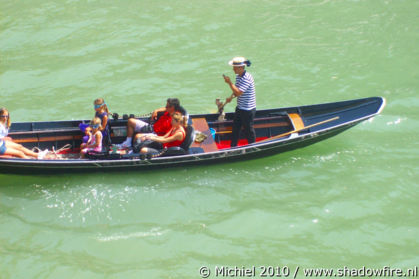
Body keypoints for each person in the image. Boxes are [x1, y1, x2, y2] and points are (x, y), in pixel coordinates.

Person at [118, 98, 184, 148]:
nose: (165, 107)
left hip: (157, 134)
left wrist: (152, 137)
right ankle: (128, 143)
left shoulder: (175, 119)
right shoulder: (168, 110)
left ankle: (133, 150)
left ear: (172, 108)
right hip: (152, 127)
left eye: (167, 106)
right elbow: (164, 108)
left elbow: (167, 136)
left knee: (137, 136)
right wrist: (156, 110)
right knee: (131, 121)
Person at [223, 56, 256, 147]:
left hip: (248, 109)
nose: (233, 69)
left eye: (235, 67)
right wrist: (231, 97)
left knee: (248, 130)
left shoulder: (247, 78)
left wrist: (229, 82)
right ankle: (233, 147)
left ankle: (253, 147)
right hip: (240, 107)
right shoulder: (238, 76)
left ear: (241, 67)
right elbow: (236, 91)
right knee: (235, 129)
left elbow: (238, 92)